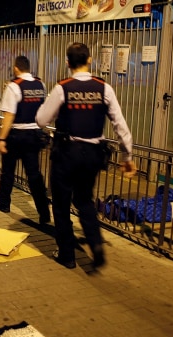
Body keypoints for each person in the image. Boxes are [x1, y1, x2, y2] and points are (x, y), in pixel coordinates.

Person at [35, 42, 137, 270]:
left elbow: (41, 120)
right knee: (84, 200)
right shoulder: (104, 88)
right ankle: (95, 244)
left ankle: (67, 255)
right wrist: (127, 156)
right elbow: (120, 125)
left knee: (61, 204)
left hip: (66, 152)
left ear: (68, 63)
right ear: (90, 60)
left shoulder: (63, 87)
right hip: (92, 153)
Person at [0, 55, 51, 225]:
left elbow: (9, 116)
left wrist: (1, 139)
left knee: (7, 172)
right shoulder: (41, 84)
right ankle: (44, 213)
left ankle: (3, 204)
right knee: (34, 176)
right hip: (34, 136)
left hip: (16, 136)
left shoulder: (13, 86)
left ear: (16, 68)